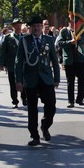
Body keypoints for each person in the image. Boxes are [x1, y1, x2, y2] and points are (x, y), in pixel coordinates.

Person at [15, 16, 60, 146]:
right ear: (30, 28)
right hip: (30, 78)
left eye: (38, 25)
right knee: (32, 109)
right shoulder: (24, 40)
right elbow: (18, 61)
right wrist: (19, 80)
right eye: (33, 26)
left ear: (42, 27)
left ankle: (45, 126)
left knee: (51, 105)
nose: (36, 28)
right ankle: (34, 135)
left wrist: (56, 78)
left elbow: (54, 60)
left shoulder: (49, 40)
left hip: (46, 78)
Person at [56, 15, 84, 108]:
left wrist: (80, 39)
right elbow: (59, 43)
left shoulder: (81, 31)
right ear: (69, 21)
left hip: (80, 59)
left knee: (82, 80)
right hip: (69, 60)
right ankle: (71, 101)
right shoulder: (64, 31)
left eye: (76, 22)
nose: (74, 23)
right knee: (70, 82)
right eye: (72, 21)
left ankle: (80, 99)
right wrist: (69, 42)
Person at [0, 18, 27, 108]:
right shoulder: (8, 38)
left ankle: (24, 98)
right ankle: (15, 100)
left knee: (23, 82)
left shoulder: (24, 37)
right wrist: (2, 63)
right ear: (13, 26)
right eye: (16, 25)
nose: (18, 27)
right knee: (12, 83)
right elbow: (3, 51)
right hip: (11, 64)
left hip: (23, 65)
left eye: (20, 25)